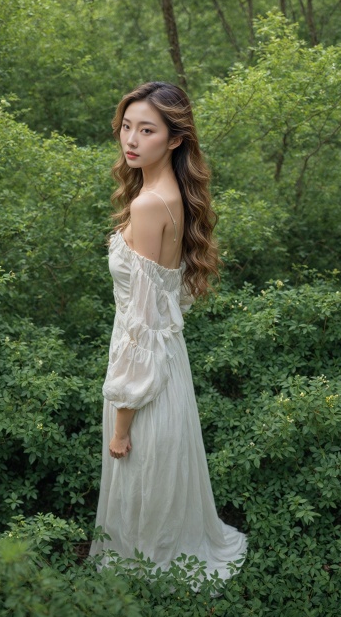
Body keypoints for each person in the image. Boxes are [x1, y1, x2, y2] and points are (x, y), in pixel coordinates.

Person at [89, 81, 247, 585]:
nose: (130, 139)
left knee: (140, 465)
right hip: (168, 359)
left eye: (147, 130)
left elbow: (141, 326)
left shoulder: (147, 206)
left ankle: (145, 572)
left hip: (145, 371)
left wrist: (121, 424)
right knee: (161, 473)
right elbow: (169, 299)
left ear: (174, 139)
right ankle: (162, 556)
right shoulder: (168, 194)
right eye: (127, 127)